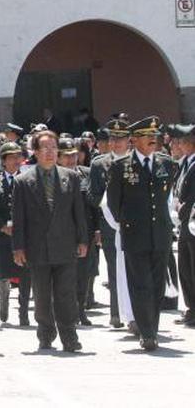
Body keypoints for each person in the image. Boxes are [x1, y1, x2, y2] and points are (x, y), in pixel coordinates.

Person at [12, 131, 88, 352]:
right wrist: (18, 247)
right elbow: (19, 218)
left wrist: (83, 240)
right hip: (38, 247)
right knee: (42, 295)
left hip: (65, 244)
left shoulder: (70, 177)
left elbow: (78, 212)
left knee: (66, 294)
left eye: (54, 148)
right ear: (35, 152)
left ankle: (69, 336)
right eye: (45, 148)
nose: (50, 152)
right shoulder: (23, 181)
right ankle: (45, 333)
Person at [107, 117, 174, 351]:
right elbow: (114, 203)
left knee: (157, 286)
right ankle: (146, 333)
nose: (152, 140)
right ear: (134, 140)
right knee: (140, 284)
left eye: (154, 136)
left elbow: (165, 198)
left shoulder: (166, 164)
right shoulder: (121, 166)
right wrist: (129, 223)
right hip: (135, 235)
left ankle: (152, 328)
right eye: (147, 136)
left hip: (160, 234)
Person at [89, 119, 131, 328]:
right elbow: (92, 195)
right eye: (112, 138)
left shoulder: (135, 161)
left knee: (134, 269)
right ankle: (116, 312)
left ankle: (133, 313)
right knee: (114, 269)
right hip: (109, 225)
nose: (115, 143)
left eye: (120, 138)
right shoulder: (99, 164)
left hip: (133, 225)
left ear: (128, 140)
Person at [58, 138, 101, 325]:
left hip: (85, 232)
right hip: (61, 233)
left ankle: (81, 310)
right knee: (63, 274)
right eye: (66, 156)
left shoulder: (87, 173)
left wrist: (98, 229)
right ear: (58, 158)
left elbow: (95, 204)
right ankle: (66, 311)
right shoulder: (53, 176)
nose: (71, 159)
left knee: (83, 274)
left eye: (74, 155)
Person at [0, 142, 31, 326]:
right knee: (3, 271)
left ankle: (24, 312)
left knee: (25, 273)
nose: (16, 160)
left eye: (18, 157)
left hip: (24, 234)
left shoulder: (28, 179)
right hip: (2, 235)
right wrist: (0, 226)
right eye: (12, 157)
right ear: (4, 160)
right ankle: (4, 304)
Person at [169, 124, 195, 326]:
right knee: (185, 268)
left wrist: (182, 209)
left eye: (182, 142)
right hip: (183, 224)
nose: (178, 145)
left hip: (192, 221)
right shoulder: (184, 163)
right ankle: (191, 308)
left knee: (193, 268)